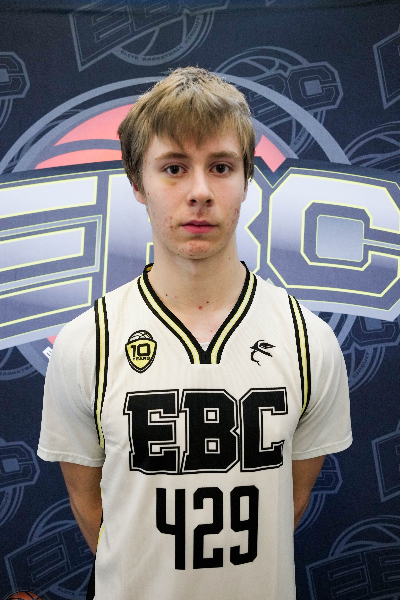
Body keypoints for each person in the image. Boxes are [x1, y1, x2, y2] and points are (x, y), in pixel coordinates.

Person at [38, 67, 352, 600]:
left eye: (221, 167)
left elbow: (289, 503)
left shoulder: (308, 340)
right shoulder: (86, 343)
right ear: (138, 183)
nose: (200, 192)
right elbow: (90, 507)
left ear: (247, 180)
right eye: (174, 168)